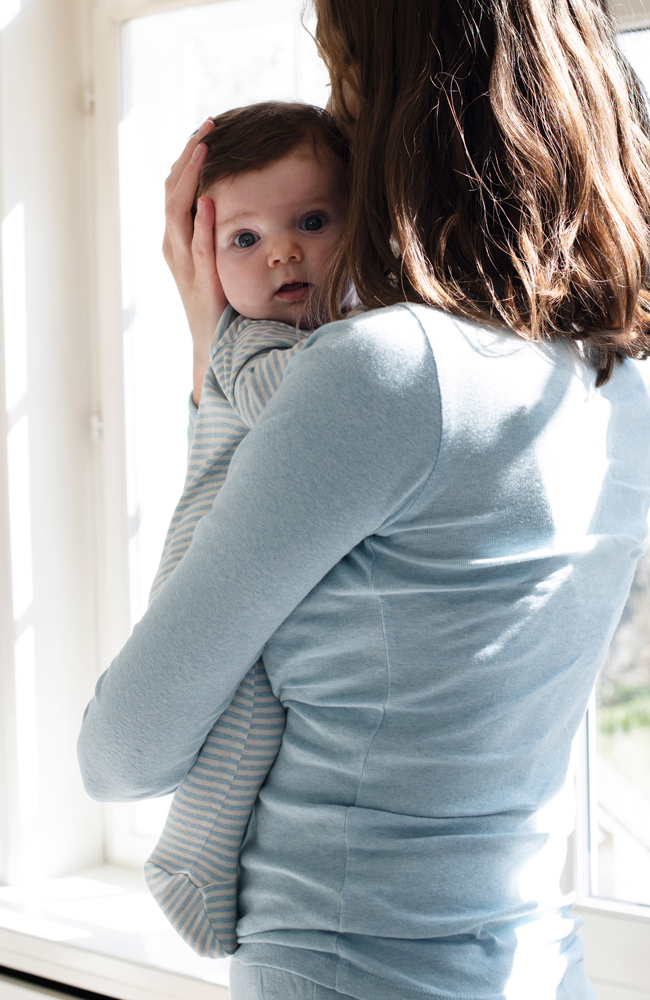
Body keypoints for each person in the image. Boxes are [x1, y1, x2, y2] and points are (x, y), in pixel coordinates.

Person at [78, 1, 650, 998]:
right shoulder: (610, 386)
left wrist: (216, 358)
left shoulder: (380, 376)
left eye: (341, 71)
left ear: (386, 115)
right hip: (535, 966)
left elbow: (122, 752)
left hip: (351, 968)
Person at [144, 101, 351, 959]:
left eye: (311, 221)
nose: (284, 252)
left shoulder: (291, 335)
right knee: (248, 722)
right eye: (245, 239)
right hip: (211, 576)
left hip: (233, 569)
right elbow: (298, 425)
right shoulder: (259, 348)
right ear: (201, 256)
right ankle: (190, 858)